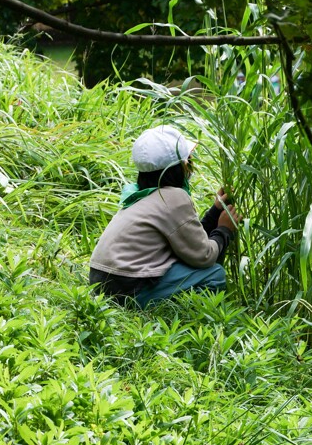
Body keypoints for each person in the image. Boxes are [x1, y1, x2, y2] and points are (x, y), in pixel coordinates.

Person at [89, 125, 241, 308]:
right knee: (214, 274)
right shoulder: (173, 197)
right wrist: (224, 230)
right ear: (182, 166)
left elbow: (188, 241)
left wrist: (215, 211)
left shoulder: (143, 194)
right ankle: (187, 317)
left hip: (102, 282)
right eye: (189, 159)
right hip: (129, 288)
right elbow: (204, 256)